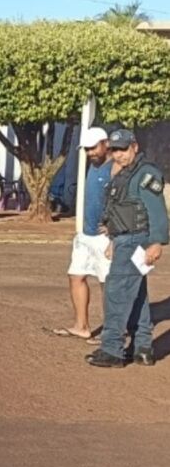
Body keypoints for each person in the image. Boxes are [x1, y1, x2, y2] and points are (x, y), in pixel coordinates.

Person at [86, 129, 169, 367]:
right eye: (114, 150)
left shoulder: (146, 174)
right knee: (137, 294)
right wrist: (113, 239)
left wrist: (156, 243)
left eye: (123, 149)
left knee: (117, 292)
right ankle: (143, 348)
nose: (119, 154)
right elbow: (119, 210)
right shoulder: (125, 174)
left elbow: (157, 211)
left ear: (135, 146)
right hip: (124, 238)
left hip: (137, 240)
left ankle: (112, 349)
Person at [51, 127, 118, 343]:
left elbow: (123, 201)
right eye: (87, 149)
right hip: (85, 234)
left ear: (105, 143)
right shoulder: (91, 165)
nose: (90, 153)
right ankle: (82, 326)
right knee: (76, 276)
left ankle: (112, 331)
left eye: (93, 148)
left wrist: (114, 229)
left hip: (104, 237)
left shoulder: (115, 168)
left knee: (107, 283)